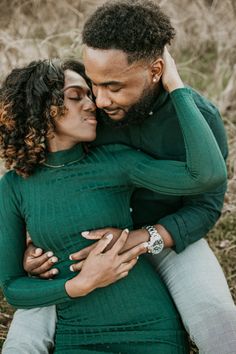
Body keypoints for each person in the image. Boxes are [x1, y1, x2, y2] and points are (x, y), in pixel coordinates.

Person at [3, 0, 236, 353]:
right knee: (23, 339)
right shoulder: (88, 116)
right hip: (81, 250)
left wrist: (141, 238)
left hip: (166, 237)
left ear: (155, 70)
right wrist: (30, 251)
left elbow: (205, 204)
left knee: (219, 321)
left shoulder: (195, 119)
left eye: (113, 87)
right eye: (92, 85)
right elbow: (52, 179)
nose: (98, 100)